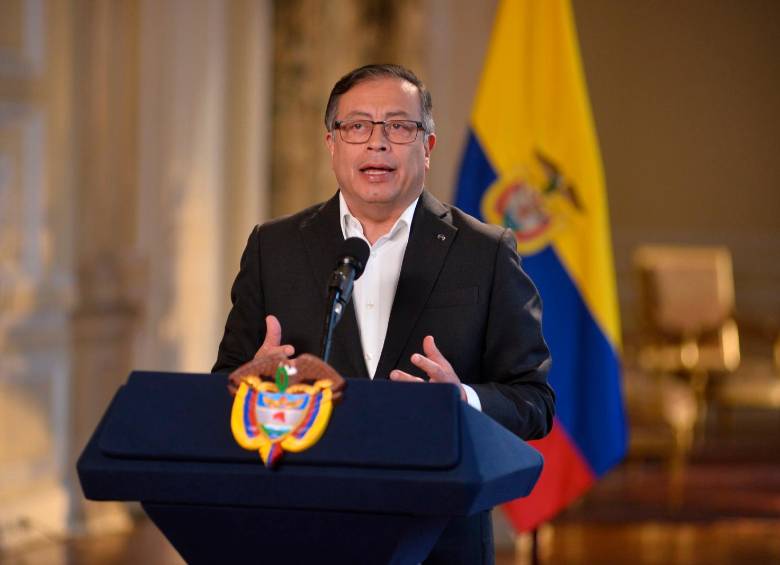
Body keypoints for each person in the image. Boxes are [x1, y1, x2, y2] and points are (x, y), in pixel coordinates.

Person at [213, 63, 554, 564]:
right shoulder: (275, 248)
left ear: (428, 147)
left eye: (399, 126)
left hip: (439, 537)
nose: (377, 143)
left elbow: (534, 400)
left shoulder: (485, 252)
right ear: (331, 143)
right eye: (357, 126)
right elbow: (224, 382)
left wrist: (460, 401)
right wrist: (249, 384)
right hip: (305, 529)